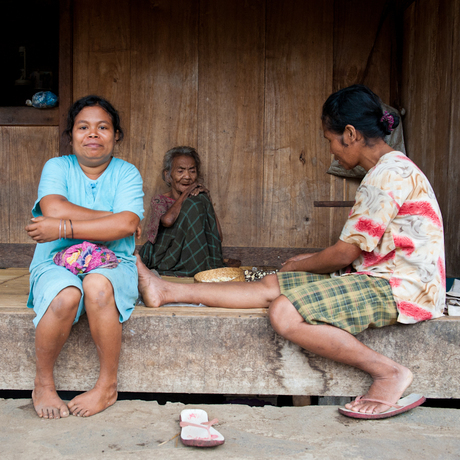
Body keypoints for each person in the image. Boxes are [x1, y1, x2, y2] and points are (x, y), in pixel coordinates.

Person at [136, 85, 445, 418]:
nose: (332, 153)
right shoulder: (388, 169)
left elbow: (343, 254)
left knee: (283, 311)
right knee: (272, 284)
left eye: (330, 140)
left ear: (351, 134)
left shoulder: (387, 175)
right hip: (378, 276)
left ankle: (389, 372)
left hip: (401, 288)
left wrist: (304, 263)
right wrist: (303, 265)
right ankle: (164, 289)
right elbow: (353, 250)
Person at [25, 95, 144, 419]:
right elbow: (53, 208)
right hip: (54, 260)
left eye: (103, 127)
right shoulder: (57, 166)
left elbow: (127, 224)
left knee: (97, 286)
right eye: (83, 127)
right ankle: (43, 383)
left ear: (116, 135)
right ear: (71, 134)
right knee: (65, 296)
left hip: (112, 262)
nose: (93, 134)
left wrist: (62, 227)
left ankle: (107, 386)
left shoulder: (127, 173)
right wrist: (109, 220)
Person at [139, 146, 225, 276]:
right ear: (168, 176)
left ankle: (195, 269)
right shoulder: (159, 200)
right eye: (180, 171)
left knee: (196, 203)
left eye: (192, 171)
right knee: (191, 205)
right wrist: (187, 193)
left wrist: (207, 200)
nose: (187, 176)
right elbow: (167, 221)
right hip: (164, 256)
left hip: (194, 256)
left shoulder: (199, 201)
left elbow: (217, 237)